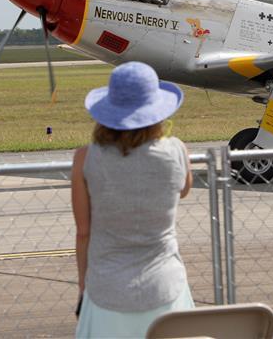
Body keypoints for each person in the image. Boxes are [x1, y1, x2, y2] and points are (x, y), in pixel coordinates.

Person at [72, 61, 194, 338]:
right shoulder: (177, 151)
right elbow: (183, 189)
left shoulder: (85, 158)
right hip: (166, 287)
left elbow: (83, 232)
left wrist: (83, 286)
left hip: (107, 288)